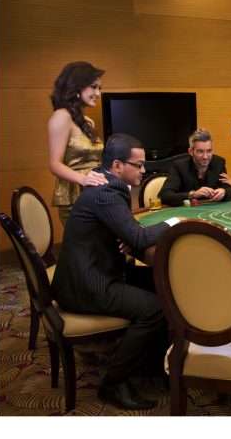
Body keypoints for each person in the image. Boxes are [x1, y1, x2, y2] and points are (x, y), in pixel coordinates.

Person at [52, 134, 184, 410]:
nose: (143, 170)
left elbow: (131, 234)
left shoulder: (107, 184)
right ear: (117, 165)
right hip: (87, 285)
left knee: (160, 282)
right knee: (155, 309)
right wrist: (174, 222)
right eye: (138, 165)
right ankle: (114, 382)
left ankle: (149, 363)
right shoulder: (107, 193)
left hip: (91, 271)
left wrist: (129, 234)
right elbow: (138, 238)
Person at [47, 61, 108, 225]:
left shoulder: (88, 122)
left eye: (100, 88)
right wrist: (83, 179)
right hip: (75, 196)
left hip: (94, 192)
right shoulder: (61, 116)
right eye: (93, 87)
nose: (98, 93)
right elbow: (54, 164)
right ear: (76, 87)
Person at [159, 128, 231, 206]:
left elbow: (230, 189)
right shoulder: (179, 167)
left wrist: (224, 192)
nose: (205, 156)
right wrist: (192, 195)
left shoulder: (219, 163)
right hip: (187, 210)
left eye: (209, 151)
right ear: (191, 151)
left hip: (211, 208)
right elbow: (164, 195)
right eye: (200, 151)